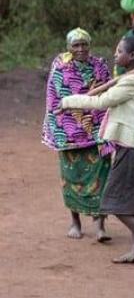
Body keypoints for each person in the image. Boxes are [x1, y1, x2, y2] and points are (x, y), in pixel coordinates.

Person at [60, 36, 134, 264]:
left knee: (112, 201)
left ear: (132, 56)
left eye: (119, 51)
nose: (115, 55)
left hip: (131, 148)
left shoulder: (130, 82)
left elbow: (99, 103)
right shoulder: (131, 78)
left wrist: (67, 102)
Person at [42, 28, 112, 241]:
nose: (80, 49)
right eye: (76, 45)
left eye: (84, 44)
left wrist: (104, 127)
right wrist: (60, 132)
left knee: (101, 178)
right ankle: (75, 222)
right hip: (68, 133)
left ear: (90, 45)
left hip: (96, 131)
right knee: (71, 177)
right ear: (68, 47)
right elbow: (53, 103)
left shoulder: (99, 66)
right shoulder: (60, 69)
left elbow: (108, 95)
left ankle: (100, 226)